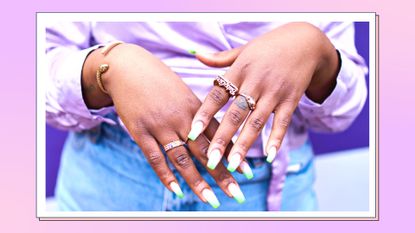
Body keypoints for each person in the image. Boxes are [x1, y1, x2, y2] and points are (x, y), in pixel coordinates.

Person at [46, 20, 367, 211]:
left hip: (265, 188)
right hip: (111, 179)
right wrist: (107, 68)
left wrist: (317, 50)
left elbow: (340, 114)